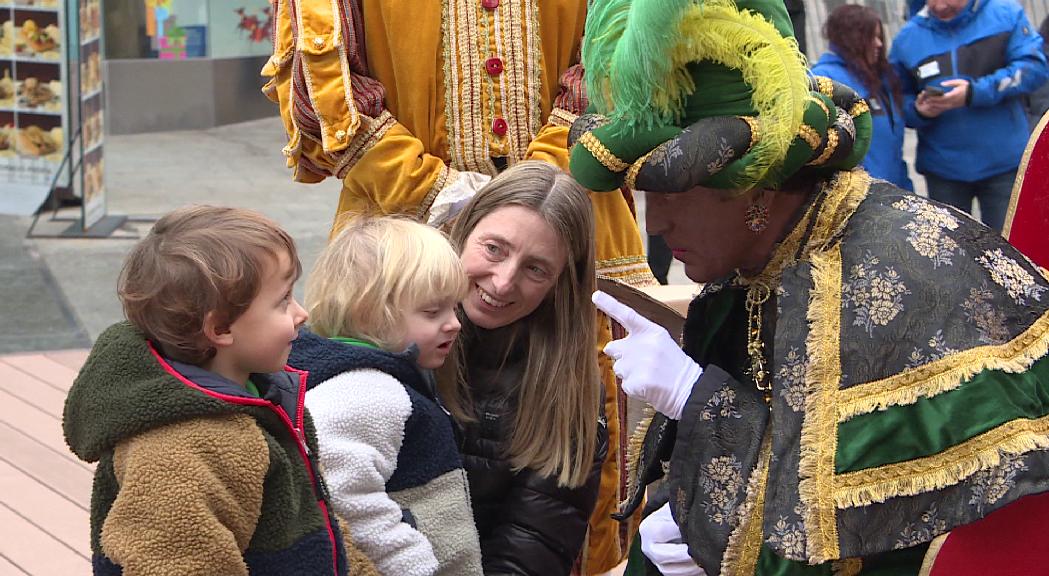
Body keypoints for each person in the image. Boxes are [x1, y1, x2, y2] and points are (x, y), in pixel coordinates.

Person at [568, 0, 1049, 574]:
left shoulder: (886, 281)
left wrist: (696, 402)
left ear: (755, 189)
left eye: (675, 194)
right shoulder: (767, 258)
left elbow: (833, 542)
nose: (659, 225)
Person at [263, 2, 655, 570]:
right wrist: (427, 186)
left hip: (572, 215)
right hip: (398, 230)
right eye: (493, 253)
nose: (499, 281)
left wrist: (536, 188)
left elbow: (618, 51)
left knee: (563, 421)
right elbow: (328, 79)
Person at [62, 206, 378, 576]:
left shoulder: (264, 397)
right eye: (283, 301)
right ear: (221, 328)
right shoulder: (182, 452)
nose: (302, 313)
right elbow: (174, 564)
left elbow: (322, 523)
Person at [438, 160, 607, 575]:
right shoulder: (390, 324)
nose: (502, 283)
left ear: (559, 284)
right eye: (493, 249)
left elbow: (533, 550)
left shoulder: (568, 388)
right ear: (463, 231)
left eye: (536, 269)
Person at [289, 216, 482, 576]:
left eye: (453, 307)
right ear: (370, 315)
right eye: (432, 311)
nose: (454, 322)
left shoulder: (371, 380)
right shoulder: (364, 392)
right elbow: (343, 496)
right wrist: (413, 565)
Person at [889, 0, 1048, 231]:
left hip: (1004, 165)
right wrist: (918, 110)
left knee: (1013, 251)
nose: (938, 6)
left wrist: (976, 92)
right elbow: (895, 100)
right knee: (950, 256)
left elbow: (1034, 68)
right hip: (943, 170)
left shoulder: (1005, 15)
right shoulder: (907, 39)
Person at [811, 4, 914, 191]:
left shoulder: (880, 76)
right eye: (872, 37)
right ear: (852, 39)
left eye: (879, 37)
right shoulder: (826, 80)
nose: (879, 44)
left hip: (895, 189)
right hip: (861, 196)